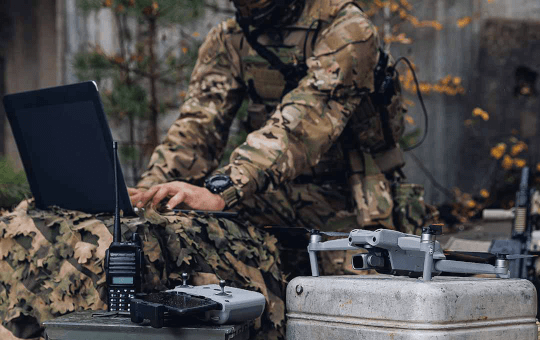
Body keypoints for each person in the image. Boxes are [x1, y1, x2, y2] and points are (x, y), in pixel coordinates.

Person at [0, 0, 432, 339]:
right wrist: (147, 198)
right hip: (267, 192)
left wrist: (223, 189)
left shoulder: (347, 30)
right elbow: (197, 126)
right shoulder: (231, 37)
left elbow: (302, 124)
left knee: (354, 320)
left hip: (350, 200)